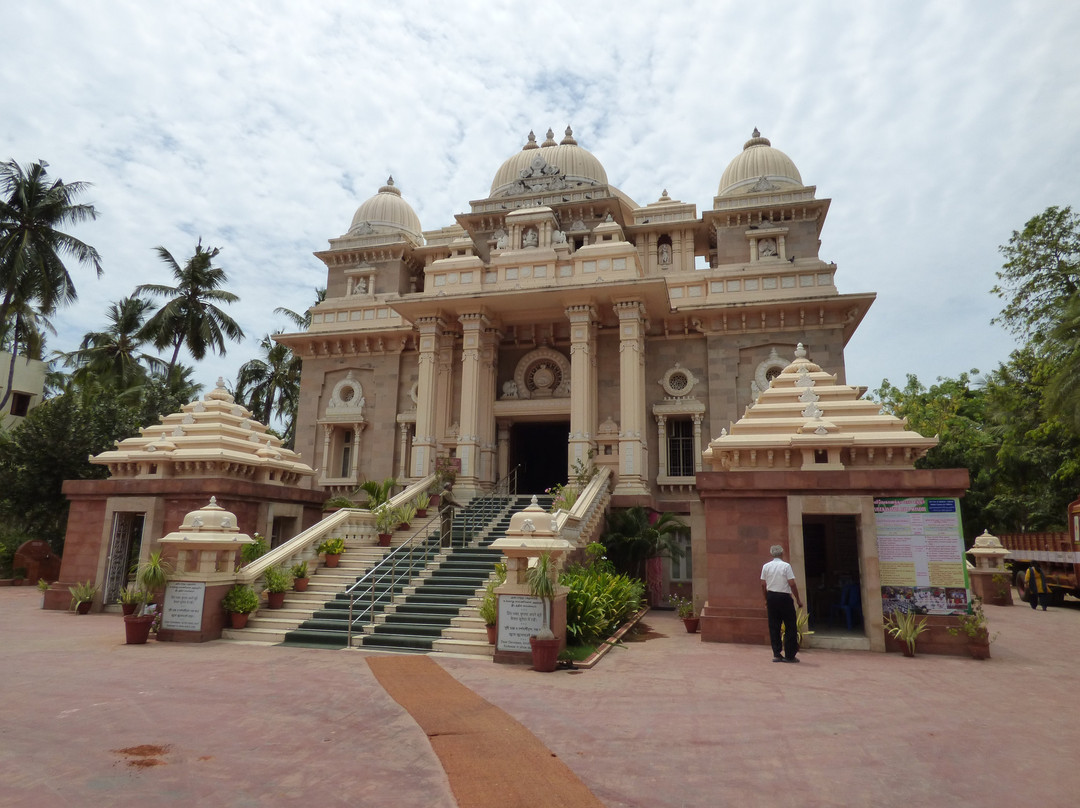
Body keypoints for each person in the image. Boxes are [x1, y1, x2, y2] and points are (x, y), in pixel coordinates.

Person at [761, 544, 804, 663]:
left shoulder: (766, 566)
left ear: (771, 554)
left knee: (774, 625)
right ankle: (790, 655)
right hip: (784, 597)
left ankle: (777, 653)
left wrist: (765, 599)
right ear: (782, 553)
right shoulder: (786, 566)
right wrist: (798, 599)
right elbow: (792, 583)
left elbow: (763, 585)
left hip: (771, 596)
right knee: (790, 625)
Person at [438, 481, 463, 548]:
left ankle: (444, 544)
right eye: (450, 486)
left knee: (444, 530)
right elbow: (451, 502)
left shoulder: (443, 493)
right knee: (446, 530)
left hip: (444, 513)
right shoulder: (446, 493)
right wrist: (461, 506)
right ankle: (446, 544)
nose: (451, 487)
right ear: (447, 487)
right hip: (446, 513)